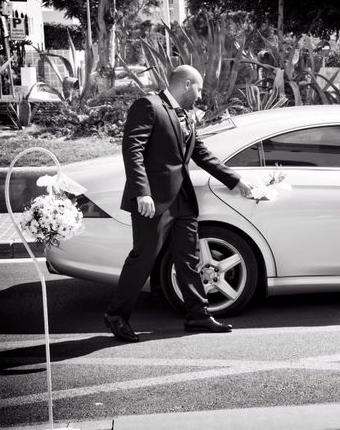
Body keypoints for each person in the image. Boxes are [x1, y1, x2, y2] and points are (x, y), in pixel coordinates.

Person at [104, 65, 253, 343]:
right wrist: (141, 192)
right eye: (197, 89)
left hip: (182, 200)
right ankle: (116, 315)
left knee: (188, 258)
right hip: (153, 202)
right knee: (144, 258)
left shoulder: (186, 115)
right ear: (186, 85)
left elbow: (201, 154)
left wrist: (237, 181)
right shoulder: (148, 105)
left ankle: (198, 314)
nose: (199, 95)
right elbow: (132, 148)